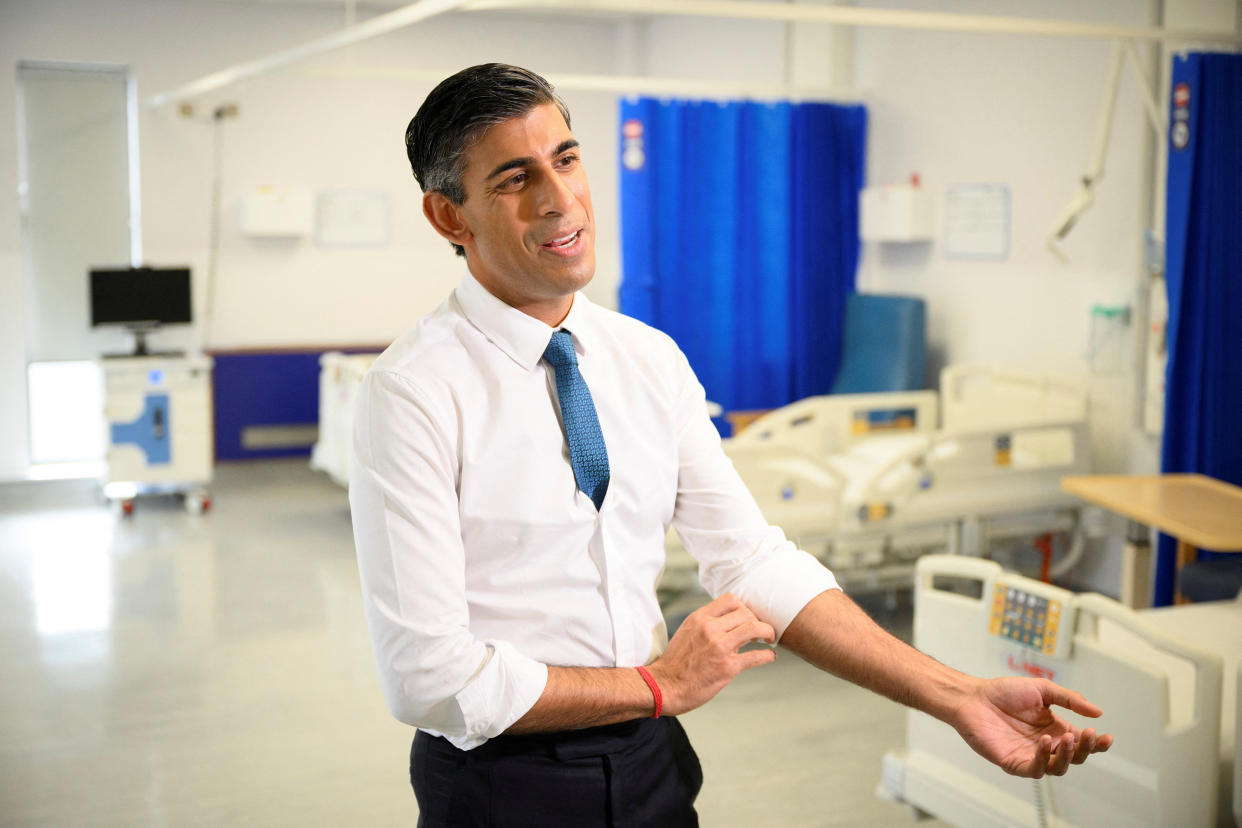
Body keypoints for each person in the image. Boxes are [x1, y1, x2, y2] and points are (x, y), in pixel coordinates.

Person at [349, 63, 1112, 827]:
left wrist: (959, 696)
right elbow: (427, 677)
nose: (560, 200)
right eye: (515, 179)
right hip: (502, 783)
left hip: (654, 765)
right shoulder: (413, 393)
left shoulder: (647, 359)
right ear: (450, 218)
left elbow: (752, 562)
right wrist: (659, 685)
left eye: (567, 158)